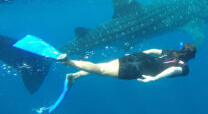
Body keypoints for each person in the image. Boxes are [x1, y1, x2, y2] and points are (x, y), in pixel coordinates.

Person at [57, 43, 196, 87]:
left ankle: (75, 76)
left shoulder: (172, 52)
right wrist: (154, 79)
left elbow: (153, 50)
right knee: (102, 70)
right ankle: (68, 62)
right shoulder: (185, 69)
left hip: (139, 57)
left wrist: (138, 55)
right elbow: (172, 69)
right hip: (138, 69)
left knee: (105, 65)